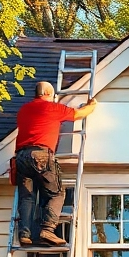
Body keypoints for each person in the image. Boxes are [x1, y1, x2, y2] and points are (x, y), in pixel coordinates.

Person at [14, 81, 97, 247]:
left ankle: (24, 234)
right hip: (41, 155)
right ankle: (48, 230)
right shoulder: (52, 108)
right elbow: (80, 114)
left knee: (27, 198)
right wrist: (92, 105)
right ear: (47, 94)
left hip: (21, 157)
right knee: (56, 193)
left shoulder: (24, 109)